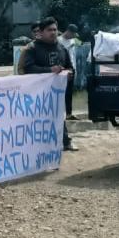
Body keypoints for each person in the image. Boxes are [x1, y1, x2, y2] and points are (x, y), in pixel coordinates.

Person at [17, 17, 77, 152]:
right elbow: (28, 68)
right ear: (41, 32)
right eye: (49, 30)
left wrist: (69, 74)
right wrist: (49, 70)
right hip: (37, 95)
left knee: (58, 117)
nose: (53, 32)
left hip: (56, 93)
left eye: (55, 29)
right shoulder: (32, 49)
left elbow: (70, 67)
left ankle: (65, 141)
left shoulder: (62, 48)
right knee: (36, 121)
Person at [57, 25, 82, 120]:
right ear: (68, 31)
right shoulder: (59, 40)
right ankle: (58, 114)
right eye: (73, 34)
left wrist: (75, 68)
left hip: (72, 68)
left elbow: (73, 55)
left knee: (69, 92)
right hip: (62, 69)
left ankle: (69, 113)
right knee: (60, 92)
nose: (73, 36)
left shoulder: (72, 41)